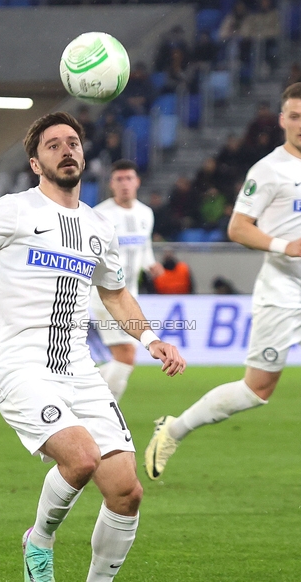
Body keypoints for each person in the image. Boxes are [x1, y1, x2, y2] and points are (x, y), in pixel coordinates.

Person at [0, 112, 186, 582]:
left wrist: (152, 338)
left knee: (126, 490)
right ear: (36, 162)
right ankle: (40, 538)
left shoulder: (100, 227)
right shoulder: (14, 210)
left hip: (79, 368)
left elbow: (116, 294)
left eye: (73, 142)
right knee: (79, 458)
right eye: (54, 145)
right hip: (23, 367)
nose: (67, 150)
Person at [145, 83, 301, 515]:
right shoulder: (267, 170)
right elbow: (238, 228)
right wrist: (285, 246)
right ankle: (174, 428)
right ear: (282, 120)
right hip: (279, 299)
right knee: (256, 391)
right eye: (295, 116)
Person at [89, 160, 164, 404]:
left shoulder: (146, 213)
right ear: (111, 184)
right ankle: (104, 410)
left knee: (126, 358)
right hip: (106, 295)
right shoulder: (100, 215)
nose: (124, 184)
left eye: (128, 178)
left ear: (137, 182)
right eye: (119, 179)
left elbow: (144, 247)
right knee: (126, 355)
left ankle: (83, 396)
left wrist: (150, 264)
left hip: (131, 295)